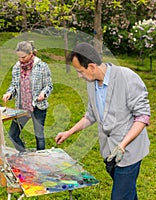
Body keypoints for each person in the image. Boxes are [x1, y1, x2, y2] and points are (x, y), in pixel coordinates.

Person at [55, 42, 150, 200]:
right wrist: (69, 132)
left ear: (91, 67)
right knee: (128, 193)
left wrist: (123, 144)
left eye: (80, 71)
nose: (79, 75)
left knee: (120, 196)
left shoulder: (127, 77)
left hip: (129, 152)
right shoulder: (91, 84)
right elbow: (91, 115)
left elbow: (143, 117)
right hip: (109, 152)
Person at [2, 41, 53, 152]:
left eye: (23, 57)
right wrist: (9, 93)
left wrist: (43, 94)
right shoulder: (17, 67)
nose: (20, 60)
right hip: (21, 107)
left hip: (37, 107)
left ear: (31, 54)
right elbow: (14, 85)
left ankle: (41, 161)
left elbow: (49, 86)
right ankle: (25, 156)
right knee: (12, 134)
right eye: (19, 57)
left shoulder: (42, 67)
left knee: (39, 137)